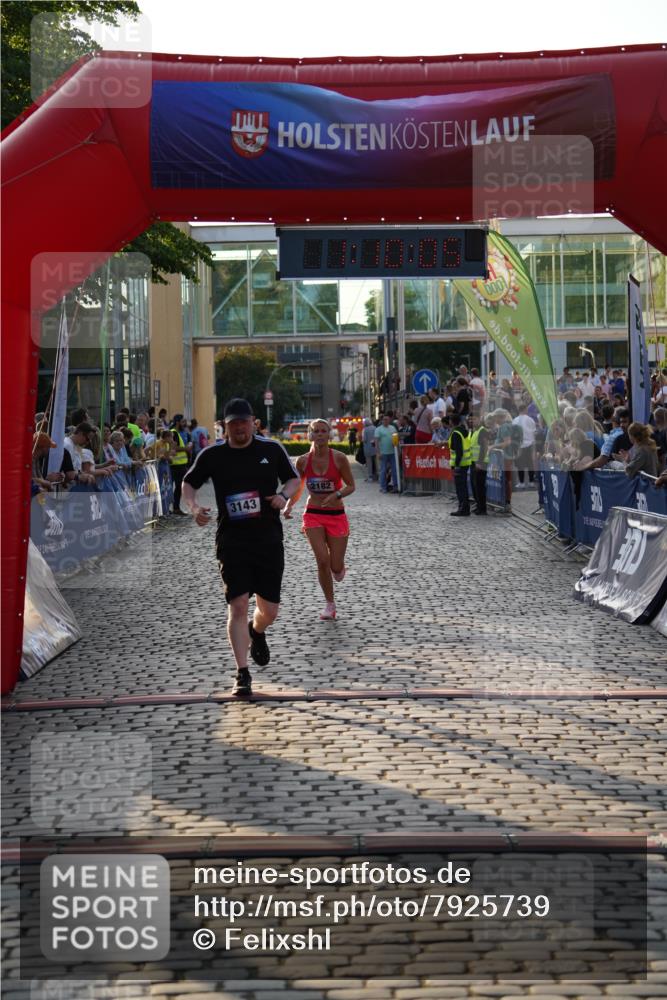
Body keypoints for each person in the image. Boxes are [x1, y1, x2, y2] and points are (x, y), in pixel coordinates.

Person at [182, 398, 300, 697]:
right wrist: (194, 507)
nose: (239, 428)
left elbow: (293, 479)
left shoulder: (271, 449)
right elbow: (188, 483)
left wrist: (283, 497)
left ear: (252, 422)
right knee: (238, 605)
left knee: (269, 610)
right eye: (233, 423)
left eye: (243, 422)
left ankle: (256, 631)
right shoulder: (213, 455)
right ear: (225, 426)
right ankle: (242, 672)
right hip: (232, 541)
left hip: (268, 540)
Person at [284, 418, 355, 620]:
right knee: (322, 561)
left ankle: (339, 568)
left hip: (336, 515)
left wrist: (337, 495)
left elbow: (350, 486)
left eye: (324, 431)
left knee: (335, 566)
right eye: (316, 431)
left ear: (329, 434)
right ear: (310, 434)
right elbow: (298, 486)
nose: (320, 434)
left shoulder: (340, 458)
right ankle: (329, 605)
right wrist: (290, 504)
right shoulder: (303, 461)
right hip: (313, 513)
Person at [448, 413, 472, 516]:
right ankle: (464, 507)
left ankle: (463, 509)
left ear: (451, 422)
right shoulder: (463, 431)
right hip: (465, 463)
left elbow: (459, 451)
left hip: (460, 464)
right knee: (463, 487)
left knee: (460, 488)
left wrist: (456, 464)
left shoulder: (456, 433)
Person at [375, 414, 398, 493]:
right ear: (382, 420)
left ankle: (396, 486)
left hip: (392, 452)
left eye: (387, 419)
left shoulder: (393, 428)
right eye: (384, 419)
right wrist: (378, 453)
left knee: (395, 470)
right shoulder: (378, 429)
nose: (386, 421)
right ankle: (383, 487)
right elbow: (376, 442)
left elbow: (396, 438)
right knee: (383, 470)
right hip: (383, 453)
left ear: (389, 420)